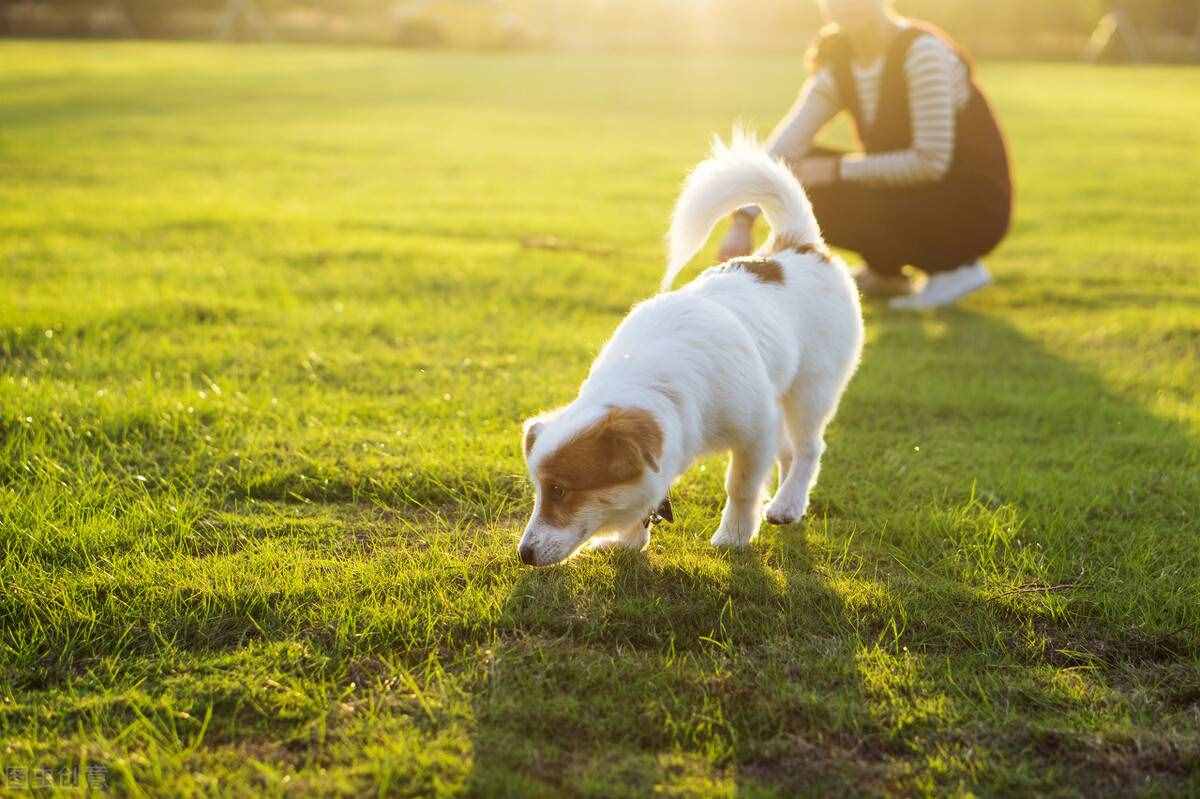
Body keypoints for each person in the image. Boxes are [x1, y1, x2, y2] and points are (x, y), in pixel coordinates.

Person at [719, 0, 1013, 310]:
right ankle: (886, 273)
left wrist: (835, 170)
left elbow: (931, 162)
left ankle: (955, 268)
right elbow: (785, 147)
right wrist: (743, 220)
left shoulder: (922, 52)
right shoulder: (841, 65)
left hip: (971, 207)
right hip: (916, 194)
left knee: (819, 178)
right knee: (798, 176)